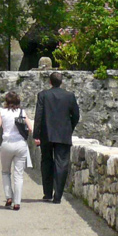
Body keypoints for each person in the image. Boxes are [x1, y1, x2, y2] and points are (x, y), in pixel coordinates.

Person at [33, 71, 80, 205]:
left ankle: (47, 193)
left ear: (50, 82)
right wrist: (69, 128)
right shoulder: (69, 96)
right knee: (62, 163)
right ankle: (58, 196)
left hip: (46, 134)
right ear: (61, 82)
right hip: (63, 134)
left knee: (46, 161)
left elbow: (39, 115)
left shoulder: (43, 95)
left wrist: (37, 134)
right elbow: (76, 115)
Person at [0, 90, 30, 211]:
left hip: (7, 144)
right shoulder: (22, 112)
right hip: (20, 144)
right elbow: (30, 127)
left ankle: (9, 197)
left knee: (5, 172)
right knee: (18, 174)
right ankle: (17, 202)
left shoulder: (2, 112)